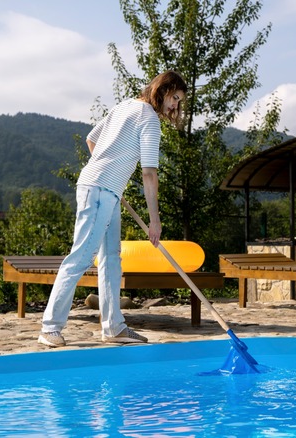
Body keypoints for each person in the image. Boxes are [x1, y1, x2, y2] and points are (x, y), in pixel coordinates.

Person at [38, 70, 188, 347]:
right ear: (163, 90)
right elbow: (149, 173)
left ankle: (114, 327)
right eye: (175, 98)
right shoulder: (149, 120)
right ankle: (50, 328)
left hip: (105, 190)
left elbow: (91, 139)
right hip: (100, 191)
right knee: (81, 257)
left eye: (179, 101)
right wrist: (154, 221)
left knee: (111, 258)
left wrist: (109, 172)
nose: (175, 105)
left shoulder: (124, 106)